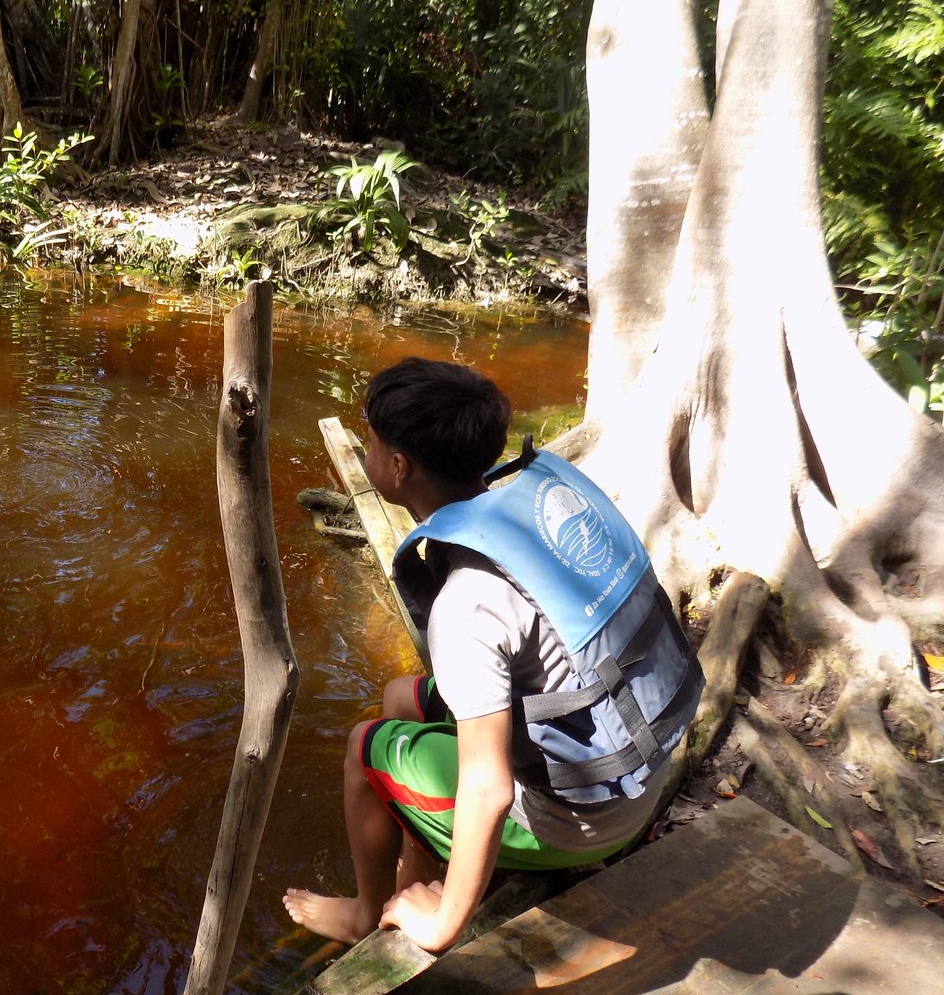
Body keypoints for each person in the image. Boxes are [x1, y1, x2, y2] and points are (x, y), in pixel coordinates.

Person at [284, 358, 702, 953]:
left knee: (363, 747)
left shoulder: (467, 604)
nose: (368, 455)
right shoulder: (537, 509)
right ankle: (415, 860)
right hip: (635, 772)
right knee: (401, 697)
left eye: (371, 443)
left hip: (580, 825)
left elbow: (490, 787)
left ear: (397, 468)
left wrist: (442, 926)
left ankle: (366, 913)